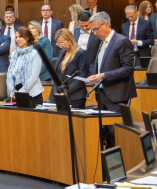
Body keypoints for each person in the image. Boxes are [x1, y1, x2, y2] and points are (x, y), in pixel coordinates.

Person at [86, 12, 137, 147]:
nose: (94, 33)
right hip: (103, 94)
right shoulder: (101, 42)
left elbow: (127, 69)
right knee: (105, 135)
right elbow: (101, 66)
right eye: (92, 30)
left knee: (115, 135)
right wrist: (95, 76)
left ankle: (119, 166)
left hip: (117, 95)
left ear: (106, 25)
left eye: (95, 29)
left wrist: (103, 75)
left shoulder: (121, 41)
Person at [6, 27, 44, 105]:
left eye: (20, 37)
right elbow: (10, 73)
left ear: (27, 38)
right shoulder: (14, 54)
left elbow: (33, 77)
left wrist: (21, 92)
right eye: (16, 37)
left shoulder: (35, 53)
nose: (17, 39)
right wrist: (12, 90)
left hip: (33, 94)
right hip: (16, 93)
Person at [50, 29, 87, 109]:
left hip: (75, 97)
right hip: (61, 96)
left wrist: (67, 92)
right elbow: (57, 74)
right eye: (58, 43)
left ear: (70, 40)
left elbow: (82, 77)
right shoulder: (61, 53)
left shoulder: (81, 53)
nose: (60, 46)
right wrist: (56, 91)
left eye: (62, 43)